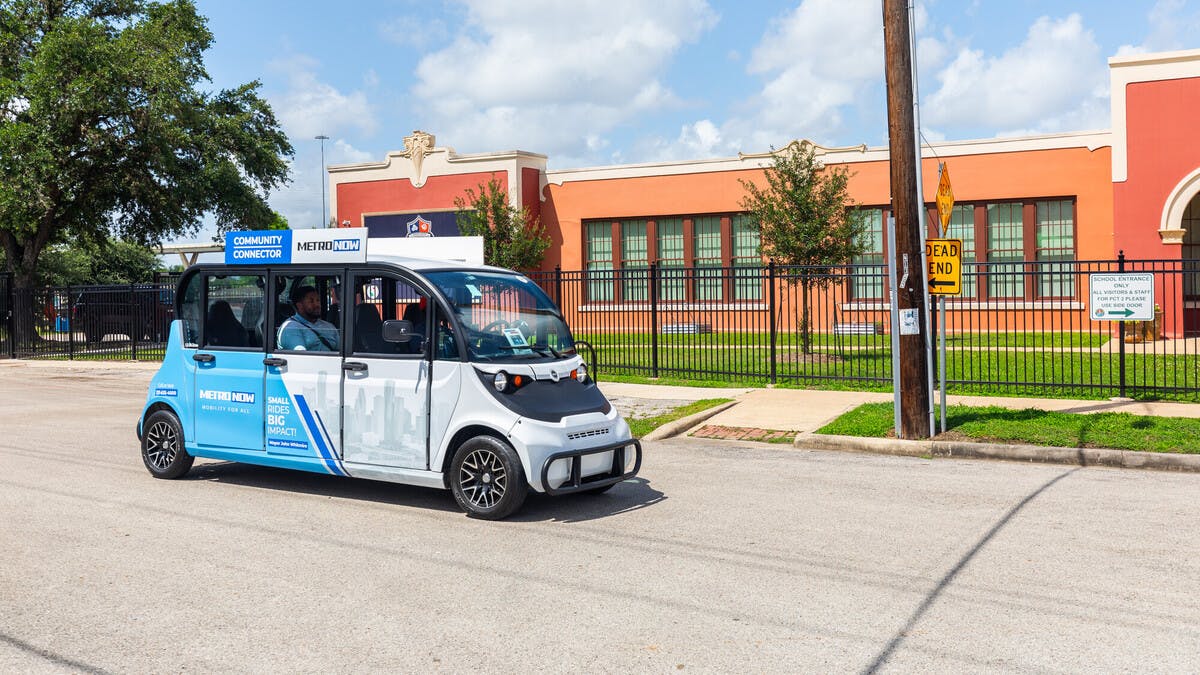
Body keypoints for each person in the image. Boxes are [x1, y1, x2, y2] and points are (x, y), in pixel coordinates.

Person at [277, 285, 339, 351]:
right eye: (311, 301)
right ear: (299, 306)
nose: (317, 305)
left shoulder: (329, 326)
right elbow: (301, 357)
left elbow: (341, 351)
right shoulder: (291, 327)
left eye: (318, 300)